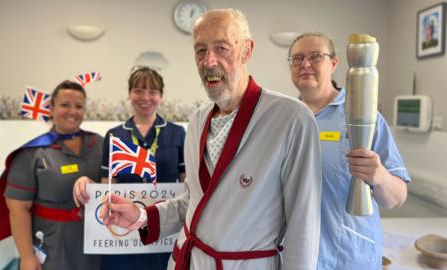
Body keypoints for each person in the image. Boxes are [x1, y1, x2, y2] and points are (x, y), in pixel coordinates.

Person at [99, 9, 322, 270]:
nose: (209, 60)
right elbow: (194, 201)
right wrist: (141, 217)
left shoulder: (290, 119)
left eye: (222, 47)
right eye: (200, 50)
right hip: (191, 261)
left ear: (246, 51)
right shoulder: (196, 121)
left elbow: (303, 223)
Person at [288, 32, 411, 269]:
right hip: (296, 255)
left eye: (315, 56)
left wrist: (380, 177)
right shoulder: (285, 118)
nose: (305, 64)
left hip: (348, 257)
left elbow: (397, 198)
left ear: (334, 63)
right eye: (297, 58)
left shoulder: (365, 118)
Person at [73, 66, 186, 270]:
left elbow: (187, 182)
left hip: (163, 232)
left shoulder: (177, 133)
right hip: (123, 236)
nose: (145, 97)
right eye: (139, 90)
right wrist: (87, 184)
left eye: (153, 92)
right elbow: (107, 185)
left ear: (161, 96)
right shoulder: (115, 135)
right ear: (129, 94)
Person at [0, 80, 103, 270]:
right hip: (53, 246)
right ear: (51, 109)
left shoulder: (100, 144)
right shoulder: (32, 153)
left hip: (94, 242)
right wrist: (27, 256)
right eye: (65, 105)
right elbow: (18, 209)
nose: (72, 111)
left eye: (79, 106)